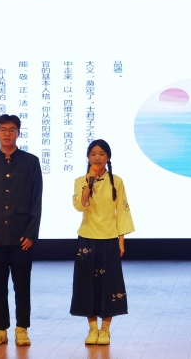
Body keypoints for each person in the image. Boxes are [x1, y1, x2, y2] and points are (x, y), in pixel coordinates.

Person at [0, 114, 43, 347]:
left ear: (18, 133)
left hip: (21, 235)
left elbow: (36, 201)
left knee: (22, 286)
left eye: (11, 129)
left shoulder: (31, 162)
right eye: (2, 129)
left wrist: (31, 233)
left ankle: (22, 329)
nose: (7, 134)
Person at [70, 139, 135, 345]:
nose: (97, 158)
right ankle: (92, 329)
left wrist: (121, 239)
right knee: (86, 283)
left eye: (101, 154)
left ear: (108, 157)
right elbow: (80, 206)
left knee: (110, 284)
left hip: (109, 238)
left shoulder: (117, 181)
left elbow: (122, 210)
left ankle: (105, 330)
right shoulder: (81, 180)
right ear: (88, 158)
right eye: (93, 154)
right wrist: (89, 184)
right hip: (87, 237)